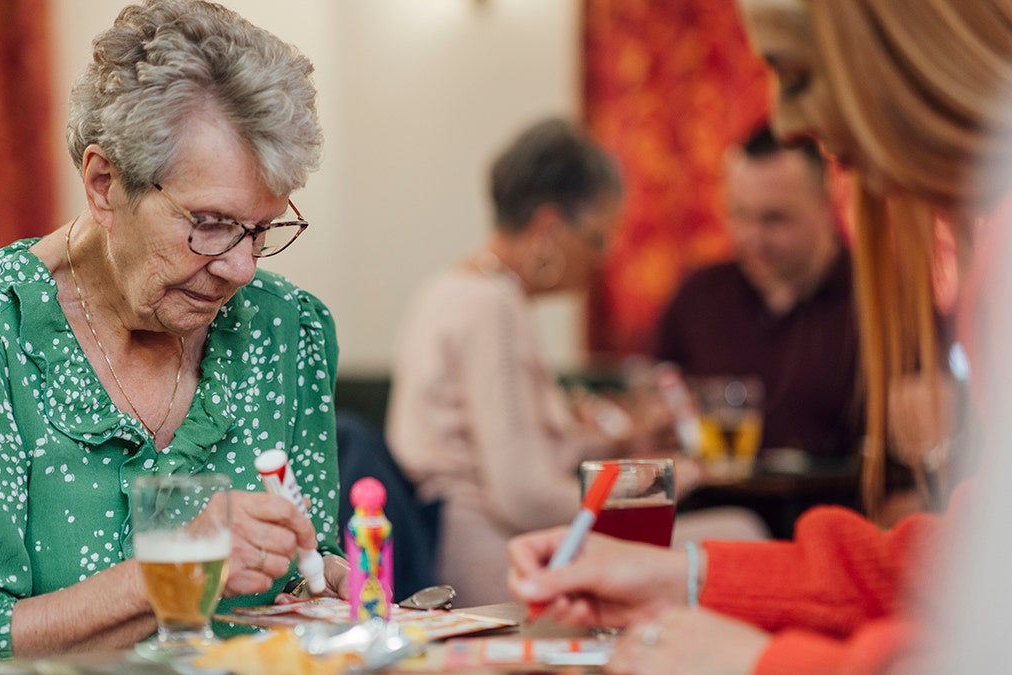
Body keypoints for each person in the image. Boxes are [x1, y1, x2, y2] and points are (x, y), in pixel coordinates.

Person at [507, 0, 1012, 673]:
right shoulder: (696, 295)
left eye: (799, 76)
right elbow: (960, 563)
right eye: (740, 217)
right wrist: (679, 573)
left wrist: (762, 660)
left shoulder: (927, 280)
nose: (790, 121)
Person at [0, 1, 346, 671]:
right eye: (210, 222)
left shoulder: (288, 331)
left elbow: (312, 572)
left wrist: (334, 581)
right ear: (104, 184)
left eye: (262, 229)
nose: (242, 267)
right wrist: (176, 570)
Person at [386, 118, 767, 607]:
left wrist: (619, 440)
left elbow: (510, 451)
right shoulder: (492, 306)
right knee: (745, 531)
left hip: (455, 548)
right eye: (597, 239)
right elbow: (523, 493)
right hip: (491, 558)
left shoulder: (447, 289)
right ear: (549, 227)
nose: (602, 258)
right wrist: (660, 480)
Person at [653, 125, 862, 462]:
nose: (753, 238)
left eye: (774, 219)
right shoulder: (697, 299)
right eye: (740, 215)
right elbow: (659, 396)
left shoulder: (878, 305)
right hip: (716, 509)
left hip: (834, 507)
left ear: (826, 205)